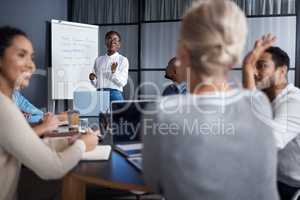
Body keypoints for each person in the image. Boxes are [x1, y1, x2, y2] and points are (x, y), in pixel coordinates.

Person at [142, 0, 279, 200]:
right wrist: (248, 64)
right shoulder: (260, 104)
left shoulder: (162, 112)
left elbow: (153, 182)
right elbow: (249, 97)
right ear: (234, 57)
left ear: (182, 53)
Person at [0, 26, 99, 200]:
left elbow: (19, 144)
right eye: (21, 55)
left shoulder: (8, 101)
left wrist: (66, 143)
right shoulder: (4, 108)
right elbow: (52, 168)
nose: (31, 65)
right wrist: (83, 144)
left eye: (32, 57)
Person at [242, 34, 300, 200]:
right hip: (273, 178)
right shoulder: (264, 99)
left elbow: (272, 140)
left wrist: (247, 65)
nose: (254, 72)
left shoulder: (295, 101)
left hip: (293, 187)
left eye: (261, 66)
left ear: (282, 71)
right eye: (253, 66)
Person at [89, 31, 129, 102]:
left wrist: (114, 72)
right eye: (109, 39)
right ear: (105, 42)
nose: (112, 41)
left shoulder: (123, 60)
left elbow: (123, 83)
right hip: (99, 93)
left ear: (119, 44)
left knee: (118, 113)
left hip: (114, 94)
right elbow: (96, 84)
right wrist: (92, 79)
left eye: (115, 39)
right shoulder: (98, 60)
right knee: (99, 113)